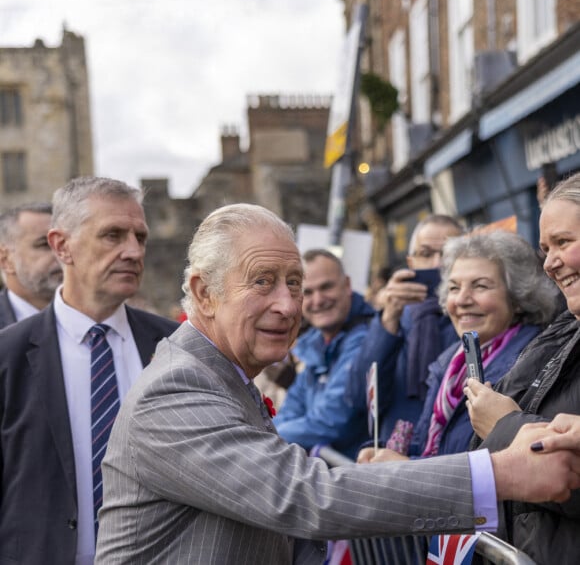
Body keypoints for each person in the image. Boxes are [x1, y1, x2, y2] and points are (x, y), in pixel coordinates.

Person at [94, 202, 580, 565]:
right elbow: (304, 496)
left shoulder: (221, 375)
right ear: (204, 292)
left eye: (294, 282)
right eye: (262, 281)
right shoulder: (178, 389)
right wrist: (498, 473)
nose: (288, 305)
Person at [0, 177, 179, 564]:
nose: (132, 251)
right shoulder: (9, 356)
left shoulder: (177, 348)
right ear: (61, 246)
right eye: (112, 235)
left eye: (140, 237)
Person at [358, 230, 559, 462]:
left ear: (518, 299)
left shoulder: (532, 364)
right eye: (454, 288)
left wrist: (406, 467)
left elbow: (492, 467)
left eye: (480, 286)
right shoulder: (450, 361)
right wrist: (381, 450)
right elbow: (431, 444)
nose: (462, 300)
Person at [464, 172, 580, 565]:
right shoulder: (564, 330)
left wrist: (506, 426)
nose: (551, 263)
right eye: (545, 248)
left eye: (564, 242)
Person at [350, 214, 464, 444]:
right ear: (411, 263)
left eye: (448, 254)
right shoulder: (398, 315)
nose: (437, 264)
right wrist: (388, 319)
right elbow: (360, 397)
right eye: (425, 254)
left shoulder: (473, 316)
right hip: (396, 451)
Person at [273, 248, 376, 458]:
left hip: (355, 477)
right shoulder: (314, 345)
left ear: (347, 285)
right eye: (308, 292)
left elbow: (331, 420)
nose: (318, 300)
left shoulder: (368, 339)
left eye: (326, 287)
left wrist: (264, 438)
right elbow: (292, 407)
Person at [0, 202, 63, 328]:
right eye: (44, 244)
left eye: (64, 243)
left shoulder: (103, 315)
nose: (62, 254)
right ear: (6, 260)